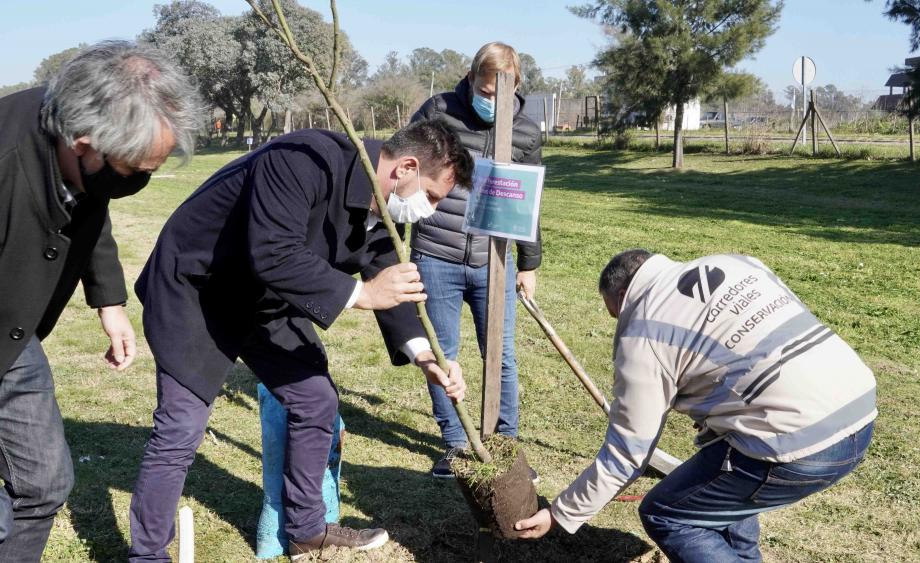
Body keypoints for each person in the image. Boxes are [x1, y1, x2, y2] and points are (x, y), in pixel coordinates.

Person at [127, 119, 474, 561]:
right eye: (434, 196)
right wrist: (362, 294)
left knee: (315, 400)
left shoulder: (382, 211)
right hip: (198, 291)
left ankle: (307, 529)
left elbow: (390, 285)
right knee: (181, 427)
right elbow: (273, 251)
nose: (430, 209)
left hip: (267, 299)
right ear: (406, 167)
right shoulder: (303, 159)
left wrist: (426, 356)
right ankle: (147, 554)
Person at [514, 250, 877, 562]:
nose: (618, 325)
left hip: (798, 447)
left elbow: (627, 454)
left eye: (616, 315)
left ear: (624, 295)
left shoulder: (642, 332)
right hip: (859, 410)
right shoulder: (737, 263)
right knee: (719, 467)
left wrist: (561, 514)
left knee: (667, 514)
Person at [0, 41, 201, 561]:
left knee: (43, 484)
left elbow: (95, 211)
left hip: (14, 336)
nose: (138, 182)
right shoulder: (6, 161)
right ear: (80, 140)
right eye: (133, 170)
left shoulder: (84, 156)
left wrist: (109, 303)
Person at [409, 41, 543, 479]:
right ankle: (454, 443)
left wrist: (529, 263)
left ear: (515, 85)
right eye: (483, 90)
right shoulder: (438, 111)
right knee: (442, 356)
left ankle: (506, 442)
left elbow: (530, 202)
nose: (489, 100)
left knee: (500, 356)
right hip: (436, 254)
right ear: (470, 79)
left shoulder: (525, 131)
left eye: (497, 92)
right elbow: (404, 165)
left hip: (495, 262)